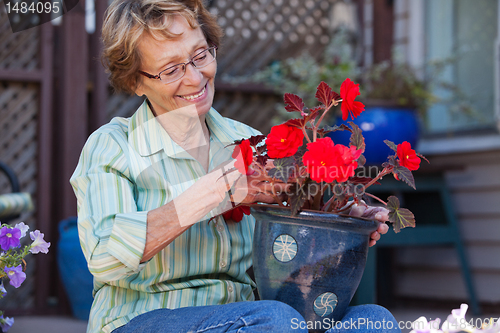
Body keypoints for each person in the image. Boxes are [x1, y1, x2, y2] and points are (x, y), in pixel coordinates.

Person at [70, 1, 399, 332]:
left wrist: (338, 220)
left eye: (200, 55)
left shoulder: (248, 141)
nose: (196, 78)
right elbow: (104, 258)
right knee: (274, 319)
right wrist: (216, 191)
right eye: (172, 70)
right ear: (136, 82)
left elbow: (288, 237)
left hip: (247, 320)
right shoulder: (114, 145)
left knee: (374, 321)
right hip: (142, 320)